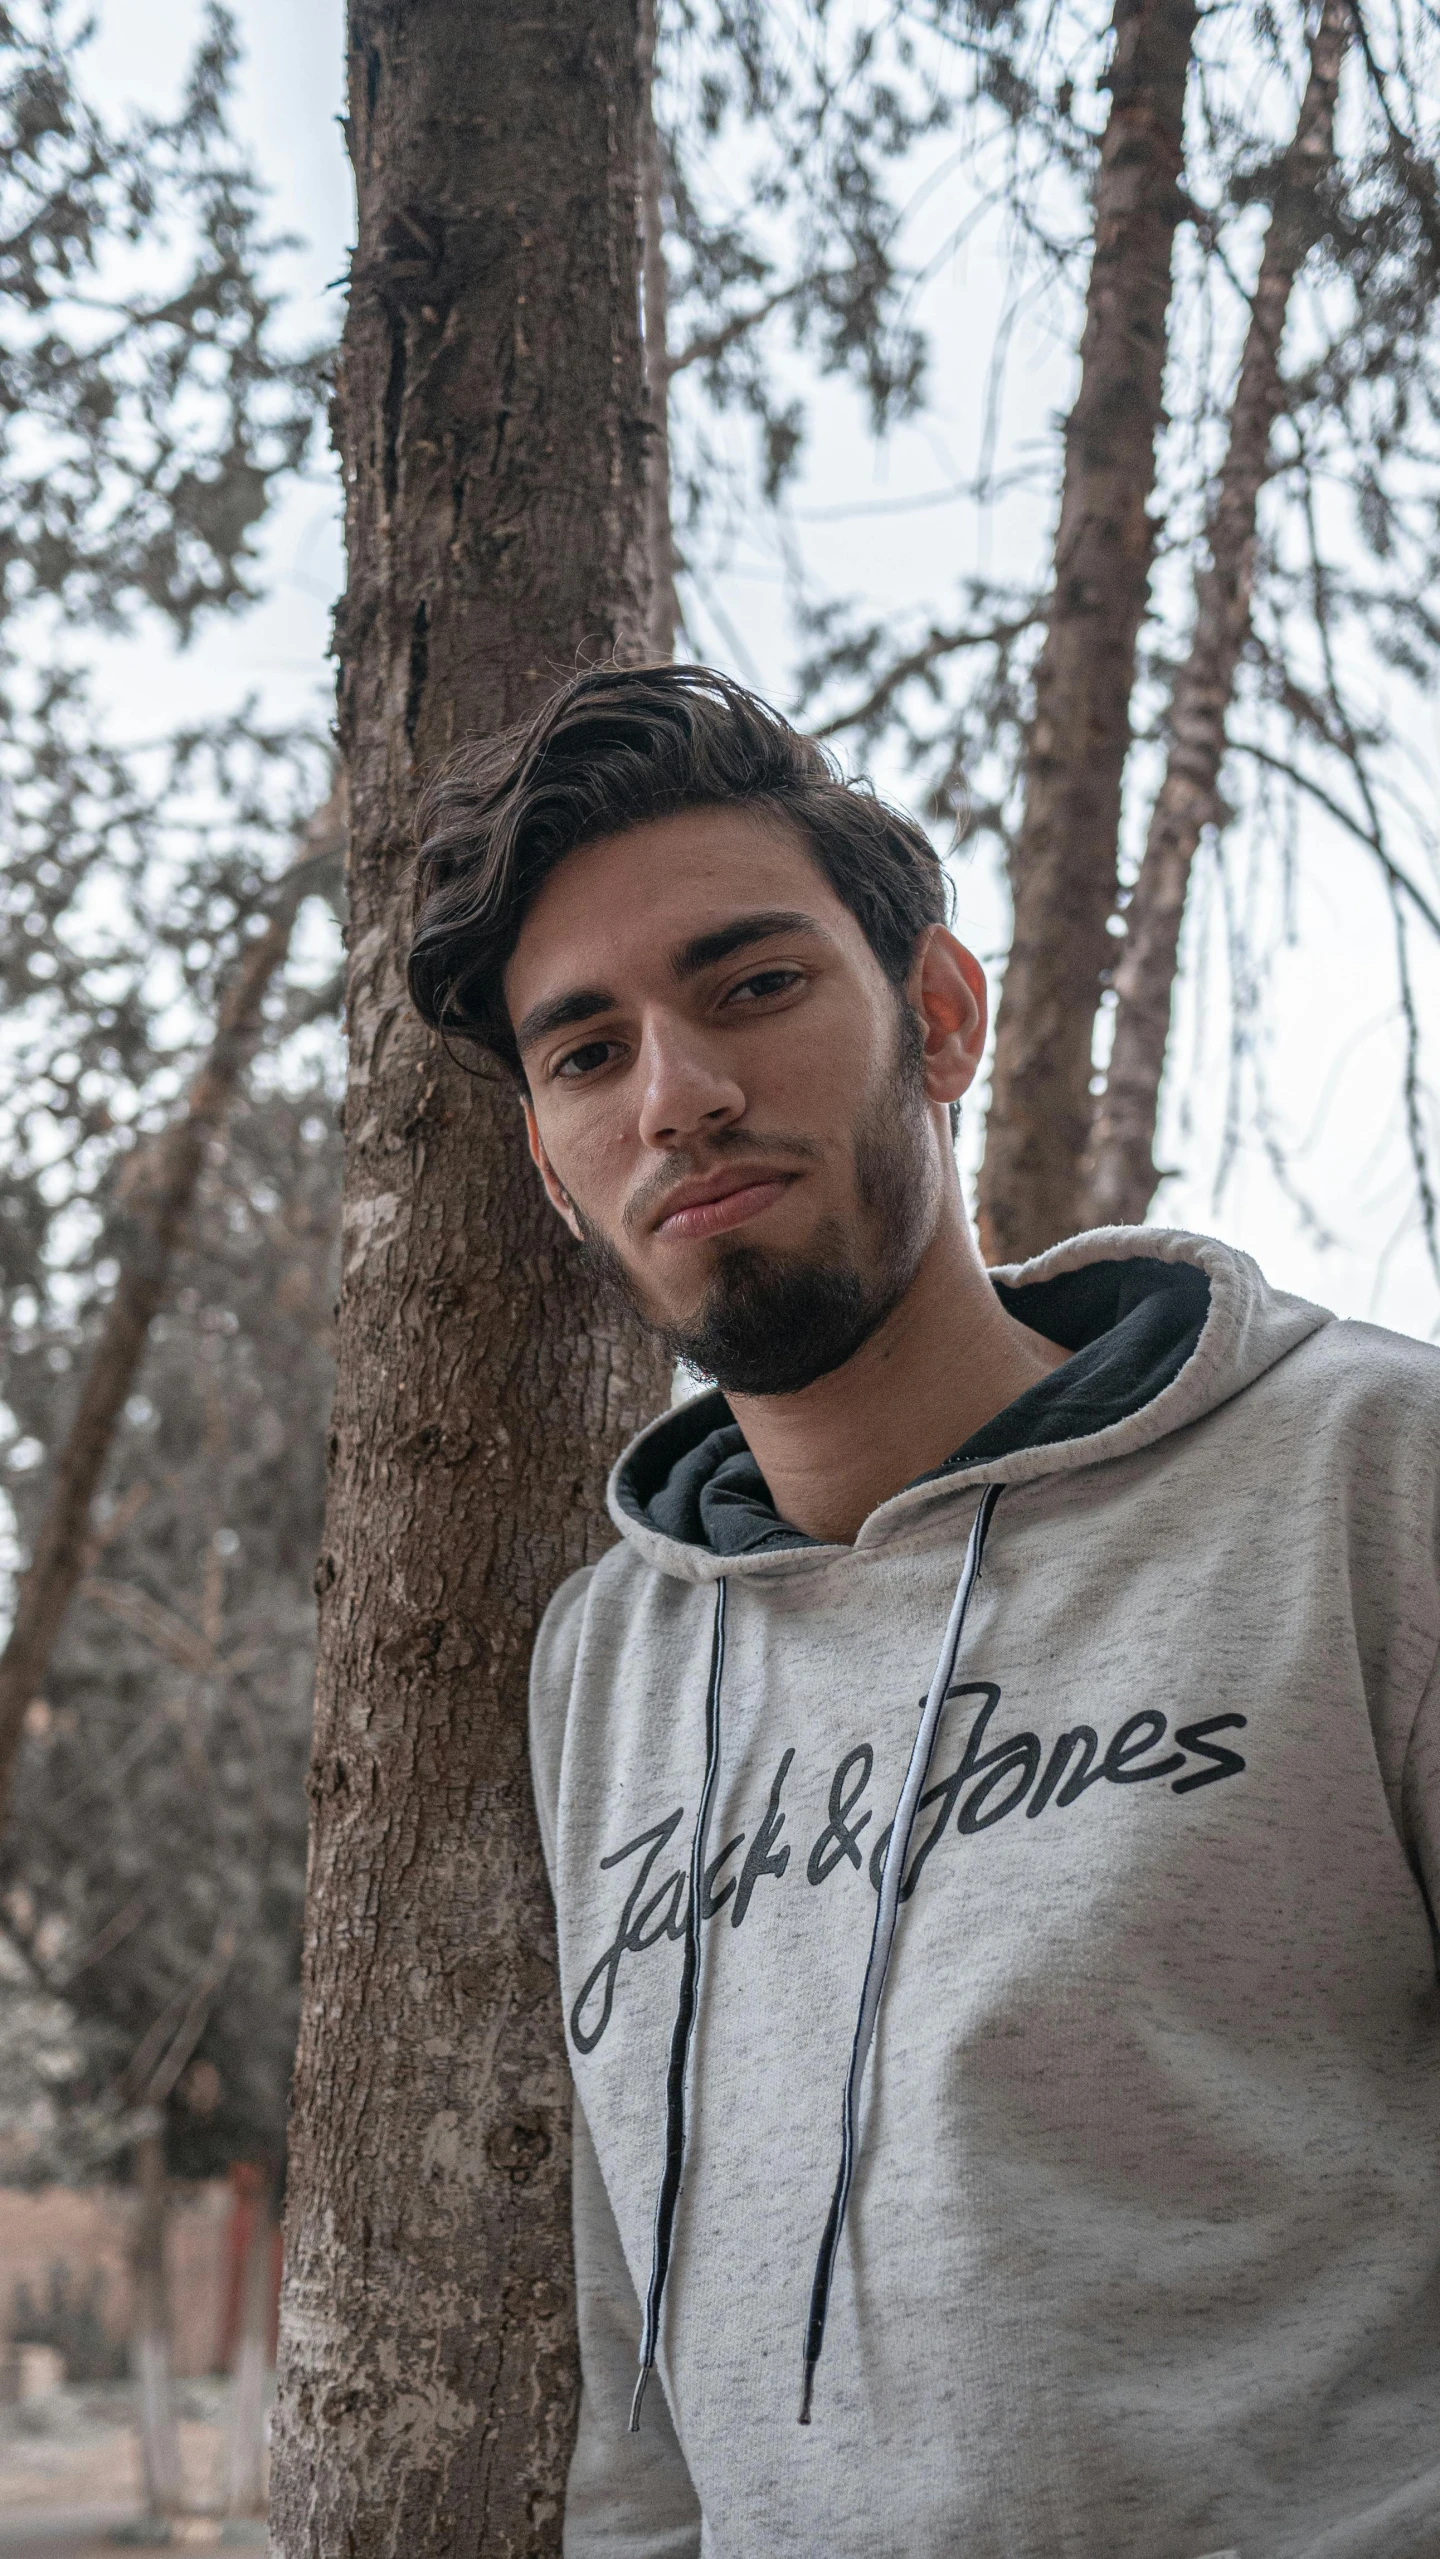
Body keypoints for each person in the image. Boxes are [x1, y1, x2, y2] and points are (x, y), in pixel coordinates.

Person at [407, 662, 1440, 2559]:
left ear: (940, 1016)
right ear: (553, 1177)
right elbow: (638, 2402)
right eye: (587, 1052)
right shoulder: (607, 1666)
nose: (682, 1095)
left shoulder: (1372, 1479)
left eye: (755, 985)